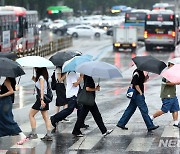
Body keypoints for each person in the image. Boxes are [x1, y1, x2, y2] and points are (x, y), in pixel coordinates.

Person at [150, 61, 180, 128]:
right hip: (167, 95)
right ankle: (151, 118)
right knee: (164, 109)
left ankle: (176, 123)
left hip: (173, 94)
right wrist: (177, 82)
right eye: (172, 65)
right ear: (169, 65)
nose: (174, 66)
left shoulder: (173, 73)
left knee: (175, 109)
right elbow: (168, 83)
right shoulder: (168, 73)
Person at [27, 67, 53, 141]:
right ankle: (49, 135)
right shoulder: (44, 77)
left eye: (35, 68)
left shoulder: (41, 77)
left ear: (39, 69)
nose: (35, 69)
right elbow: (42, 86)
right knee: (45, 117)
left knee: (31, 115)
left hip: (41, 99)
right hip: (44, 99)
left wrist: (41, 100)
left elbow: (42, 89)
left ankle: (34, 133)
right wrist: (35, 79)